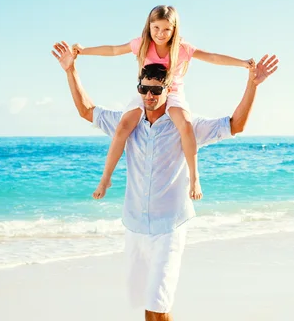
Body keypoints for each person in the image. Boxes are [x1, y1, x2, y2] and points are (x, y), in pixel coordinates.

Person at [51, 41, 278, 321]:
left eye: (155, 90)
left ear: (167, 90)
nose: (149, 95)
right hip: (134, 226)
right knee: (146, 305)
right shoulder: (128, 123)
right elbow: (87, 111)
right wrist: (70, 70)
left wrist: (252, 84)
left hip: (169, 227)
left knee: (158, 306)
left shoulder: (186, 126)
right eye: (143, 89)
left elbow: (235, 124)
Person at [72, 5, 254, 201]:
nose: (161, 33)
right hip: (148, 90)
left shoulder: (181, 48)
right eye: (156, 28)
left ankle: (194, 178)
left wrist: (243, 63)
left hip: (173, 93)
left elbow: (212, 57)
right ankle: (105, 178)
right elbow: (114, 50)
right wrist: (83, 51)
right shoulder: (141, 44)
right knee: (124, 125)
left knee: (185, 124)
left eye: (167, 29)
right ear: (149, 26)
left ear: (174, 29)